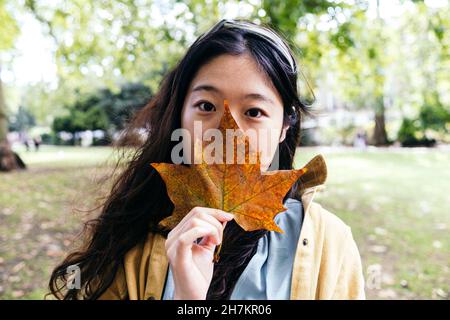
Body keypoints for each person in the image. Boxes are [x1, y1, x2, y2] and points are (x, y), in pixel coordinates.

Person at [49, 19, 365, 300]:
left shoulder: (330, 244)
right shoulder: (130, 238)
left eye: (254, 112)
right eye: (206, 106)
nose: (228, 130)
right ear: (179, 115)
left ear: (284, 126)